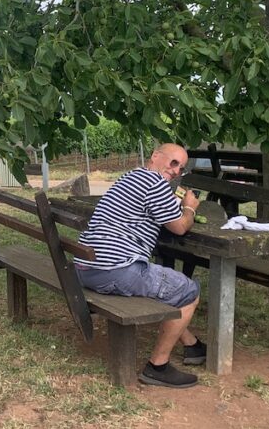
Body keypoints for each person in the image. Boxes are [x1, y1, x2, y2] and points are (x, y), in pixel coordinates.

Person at [74, 143, 205, 388]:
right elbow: (179, 226)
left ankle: (192, 345)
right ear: (155, 156)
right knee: (188, 291)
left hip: (86, 268)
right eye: (173, 162)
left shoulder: (131, 177)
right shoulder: (155, 184)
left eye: (181, 168)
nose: (176, 170)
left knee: (164, 285)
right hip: (115, 269)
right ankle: (158, 366)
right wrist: (189, 207)